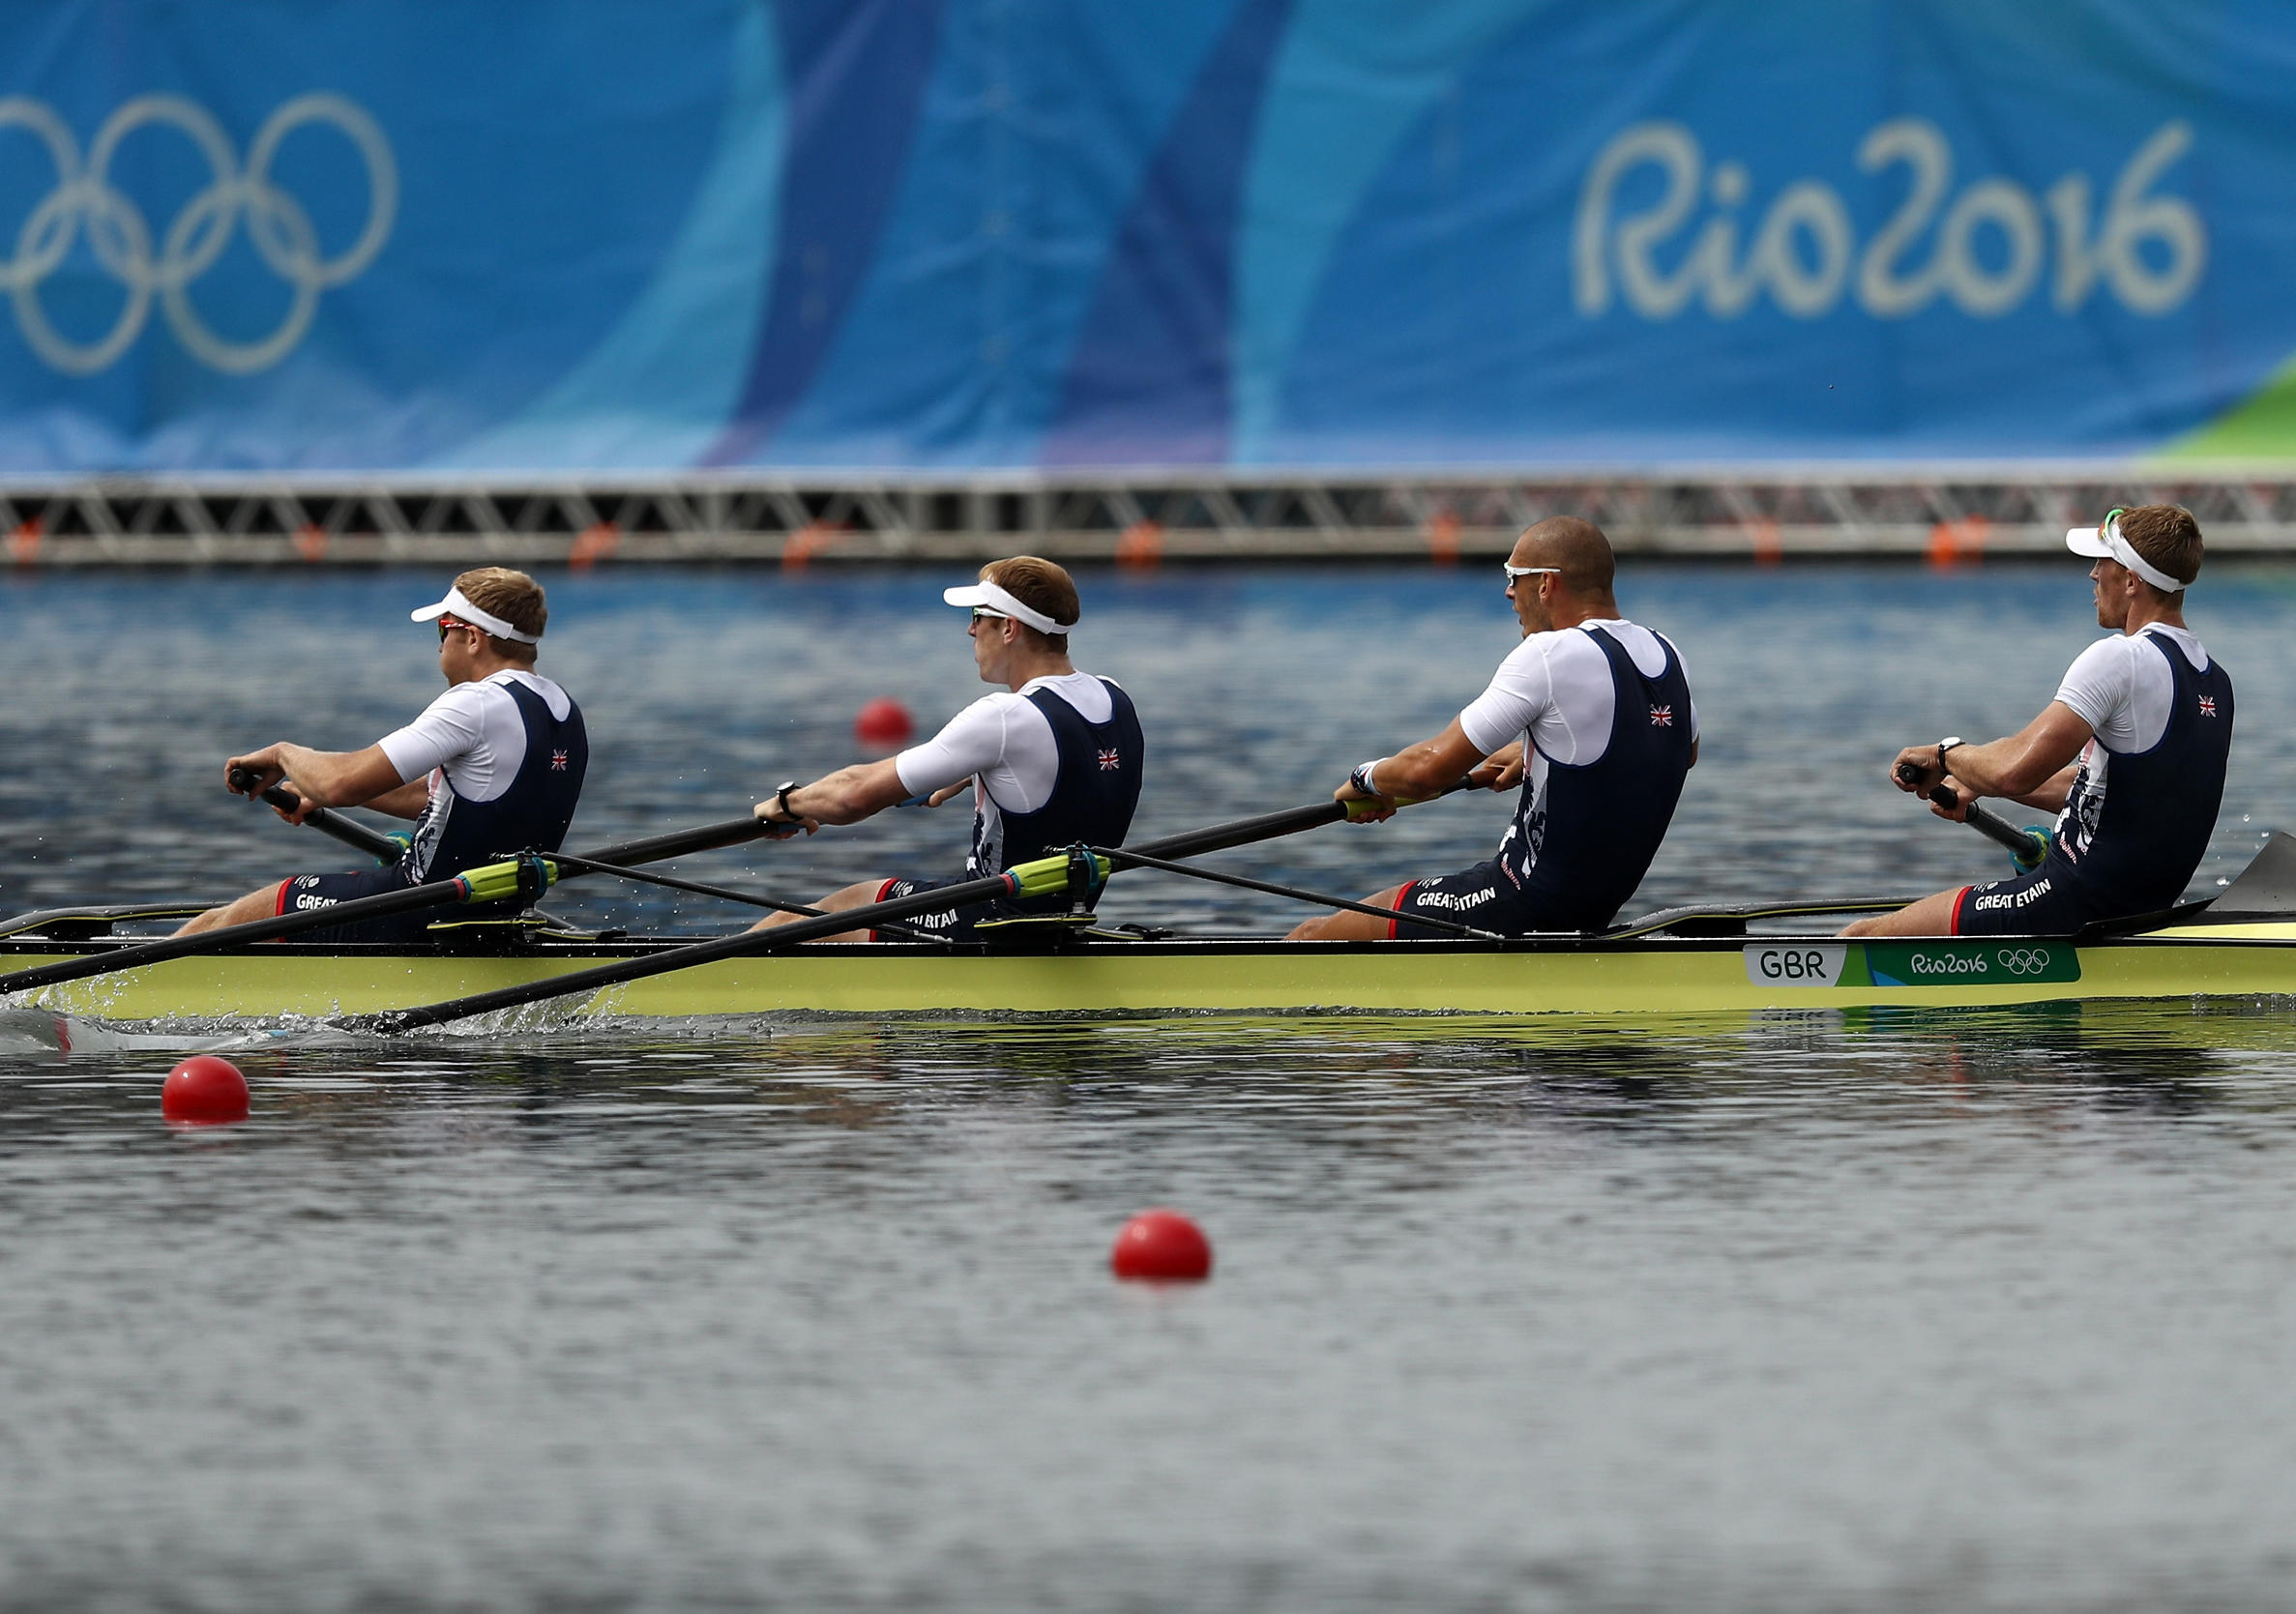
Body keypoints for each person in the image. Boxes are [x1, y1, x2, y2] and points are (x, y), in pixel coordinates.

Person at [1287, 516, 1697, 940]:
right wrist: (1539, 753)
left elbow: (1428, 771)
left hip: (1515, 902)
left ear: (1545, 585)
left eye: (1513, 576)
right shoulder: (1667, 653)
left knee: (1313, 934)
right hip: (1592, 911)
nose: (1508, 592)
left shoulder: (1546, 654)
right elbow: (1678, 751)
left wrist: (1367, 778)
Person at [1845, 504, 2230, 938]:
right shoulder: (2215, 682)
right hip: (2143, 910)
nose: (2092, 574)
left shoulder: (2119, 659)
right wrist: (1976, 782)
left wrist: (1945, 755)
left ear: (2130, 580)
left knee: (1863, 937)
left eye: (2102, 561)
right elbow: (2115, 796)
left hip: (2069, 900)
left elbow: (2013, 772)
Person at [177, 569, 588, 942]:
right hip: (496, 915)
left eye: (443, 630)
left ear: (473, 638)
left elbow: (341, 783)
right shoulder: (563, 709)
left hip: (416, 908)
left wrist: (285, 756)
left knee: (223, 922)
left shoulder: (474, 703)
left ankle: (131, 989)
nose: (440, 645)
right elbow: (455, 802)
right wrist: (313, 790)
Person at [750, 556, 1142, 941]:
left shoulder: (1003, 717)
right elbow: (1072, 779)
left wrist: (788, 804)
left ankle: (706, 979)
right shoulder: (1115, 695)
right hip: (1067, 916)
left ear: (1008, 628)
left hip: (992, 920)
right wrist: (981, 772)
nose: (970, 631)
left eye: (977, 616)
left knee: (817, 914)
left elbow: (854, 794)